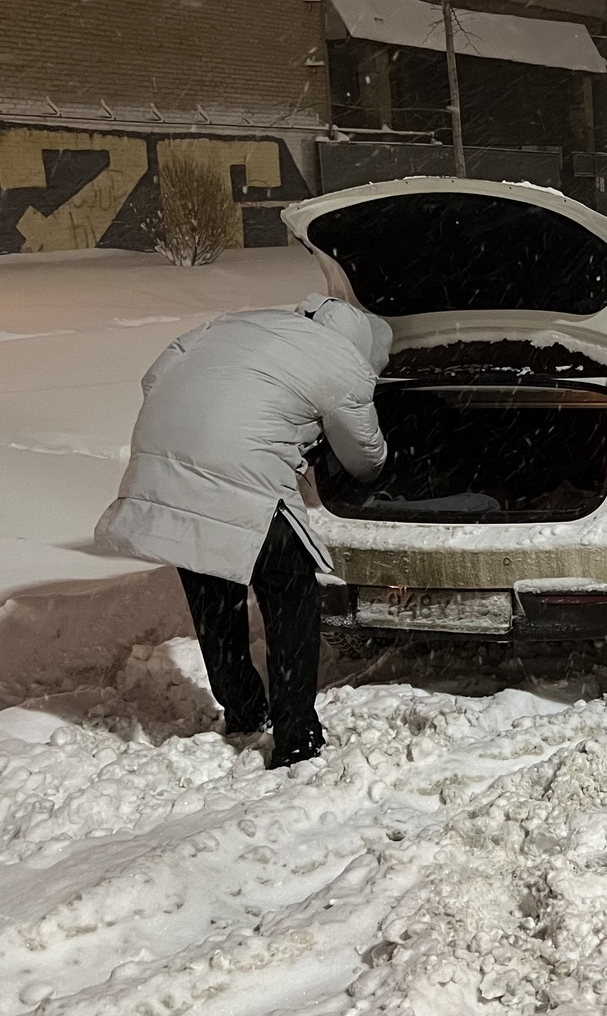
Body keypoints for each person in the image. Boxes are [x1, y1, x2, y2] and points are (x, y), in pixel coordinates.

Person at [96, 294, 391, 767]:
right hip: (241, 477)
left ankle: (245, 711)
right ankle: (297, 738)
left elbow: (154, 375)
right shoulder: (341, 362)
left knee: (213, 593)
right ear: (364, 350)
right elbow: (365, 458)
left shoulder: (229, 325)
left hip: (164, 469)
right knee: (290, 598)